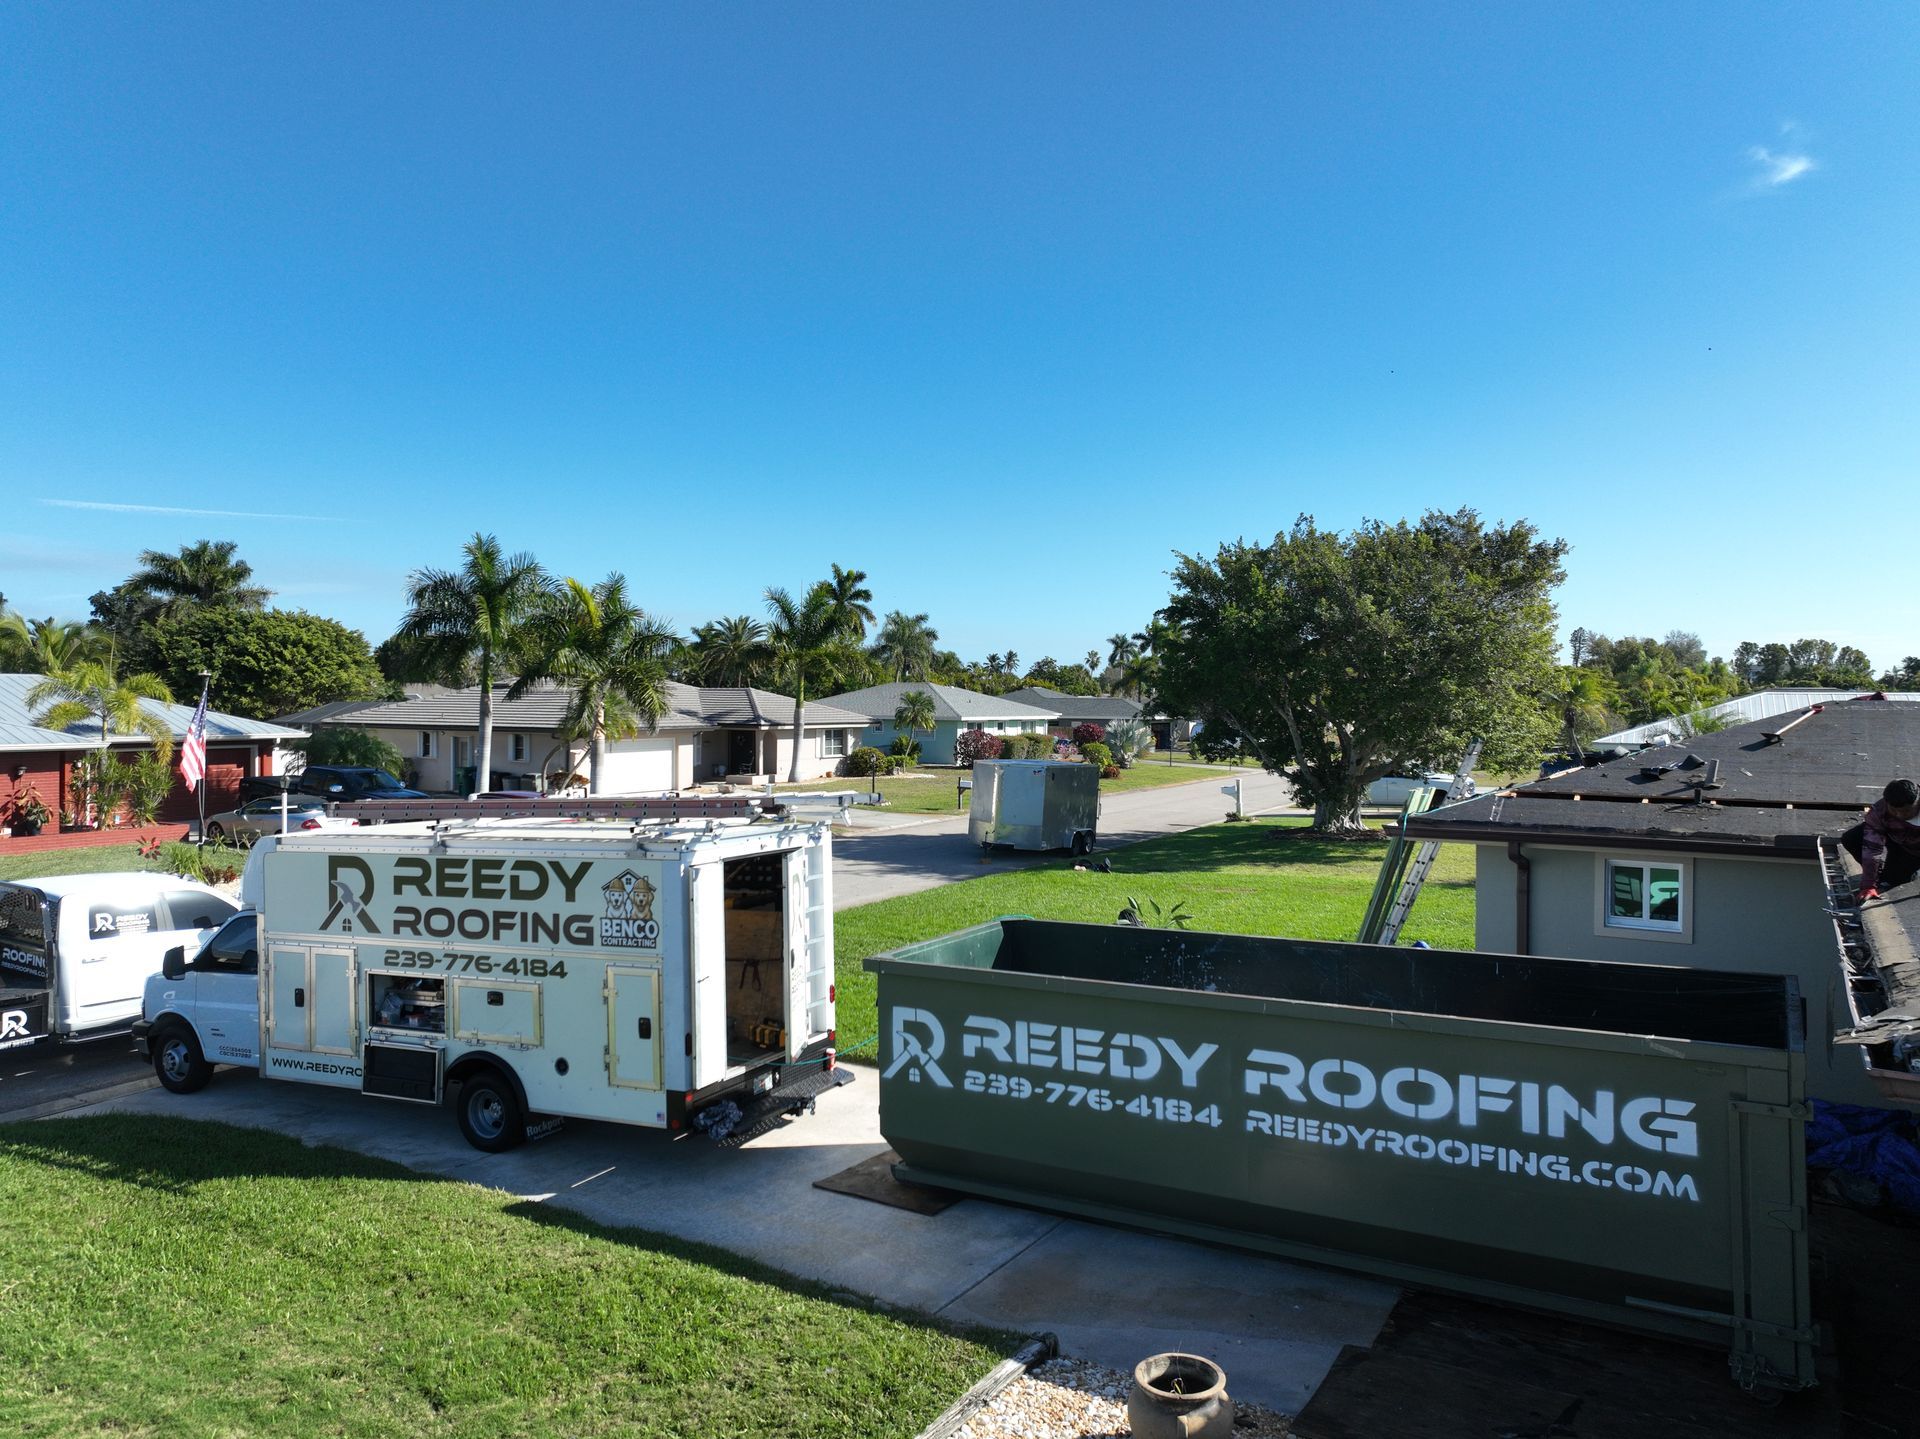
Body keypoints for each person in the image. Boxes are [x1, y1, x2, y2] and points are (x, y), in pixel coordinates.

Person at [1842, 778, 1920, 901]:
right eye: (1894, 810)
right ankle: (1880, 875)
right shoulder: (1879, 812)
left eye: (1906, 811)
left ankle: (1904, 873)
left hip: (1914, 852)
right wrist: (1868, 885)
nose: (1899, 815)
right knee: (1851, 838)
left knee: (1895, 879)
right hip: (1895, 839)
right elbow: (1871, 850)